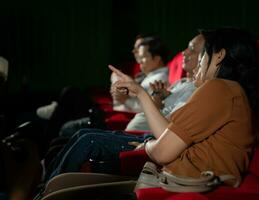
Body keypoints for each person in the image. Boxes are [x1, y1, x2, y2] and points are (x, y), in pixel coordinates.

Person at [45, 27, 259, 186]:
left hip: (180, 175)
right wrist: (141, 93)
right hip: (177, 165)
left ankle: (41, 188)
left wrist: (147, 145)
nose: (197, 61)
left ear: (219, 55)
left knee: (88, 139)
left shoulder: (219, 89)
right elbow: (169, 134)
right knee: (85, 137)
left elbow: (163, 151)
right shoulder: (229, 91)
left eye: (202, 55)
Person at [44, 33, 205, 180]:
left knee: (82, 133)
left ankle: (48, 185)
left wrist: (139, 95)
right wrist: (159, 97)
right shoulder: (181, 83)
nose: (184, 52)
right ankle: (46, 180)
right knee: (79, 133)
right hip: (143, 129)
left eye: (191, 49)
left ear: (208, 58)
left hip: (149, 135)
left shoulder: (200, 91)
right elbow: (164, 108)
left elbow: (169, 127)